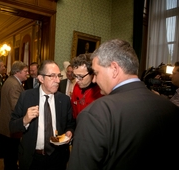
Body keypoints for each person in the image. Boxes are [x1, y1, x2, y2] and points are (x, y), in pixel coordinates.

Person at [67, 39, 179, 170]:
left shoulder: (96, 113)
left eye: (96, 73)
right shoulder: (171, 108)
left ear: (114, 69)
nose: (95, 79)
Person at [10, 60, 76, 170]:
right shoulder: (26, 97)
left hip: (57, 158)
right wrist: (25, 120)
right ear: (41, 79)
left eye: (58, 76)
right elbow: (12, 126)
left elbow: (71, 124)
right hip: (33, 158)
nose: (58, 80)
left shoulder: (64, 100)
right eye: (52, 76)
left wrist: (69, 132)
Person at [0, 61, 28, 170]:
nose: (27, 73)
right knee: (11, 154)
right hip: (11, 126)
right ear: (17, 72)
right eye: (25, 71)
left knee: (9, 154)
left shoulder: (11, 81)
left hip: (6, 123)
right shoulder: (14, 85)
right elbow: (16, 107)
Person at [70, 54, 103, 119]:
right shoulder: (76, 87)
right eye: (75, 76)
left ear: (92, 73)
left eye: (80, 76)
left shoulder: (101, 91)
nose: (76, 80)